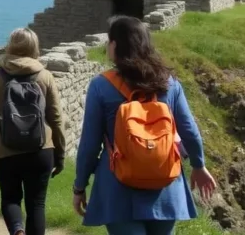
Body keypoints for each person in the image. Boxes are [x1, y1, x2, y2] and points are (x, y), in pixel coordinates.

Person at [72, 16, 217, 235]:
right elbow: (189, 131)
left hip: (118, 187)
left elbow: (89, 145)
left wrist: (80, 186)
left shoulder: (101, 86)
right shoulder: (169, 83)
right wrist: (199, 165)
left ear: (115, 45)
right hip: (165, 185)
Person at [0, 27, 67, 235]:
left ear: (10, 46)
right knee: (37, 204)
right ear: (35, 47)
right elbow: (56, 119)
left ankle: (17, 230)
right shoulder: (45, 76)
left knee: (10, 198)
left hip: (5, 149)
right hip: (41, 148)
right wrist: (59, 153)